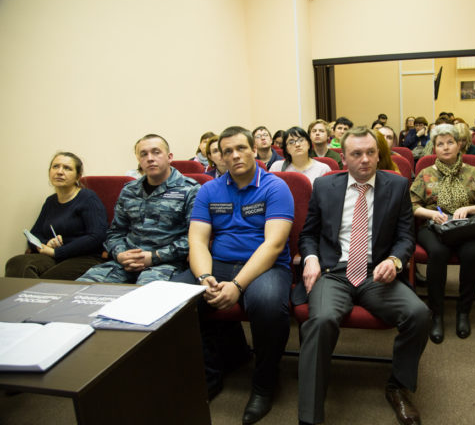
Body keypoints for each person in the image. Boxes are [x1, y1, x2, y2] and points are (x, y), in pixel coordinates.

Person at [297, 126, 430, 425]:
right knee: (320, 320)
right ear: (343, 158)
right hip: (333, 272)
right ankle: (310, 415)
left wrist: (395, 261)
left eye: (371, 152)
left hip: (376, 273)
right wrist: (311, 258)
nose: (365, 159)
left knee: (419, 315)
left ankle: (398, 387)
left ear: (378, 155)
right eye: (356, 154)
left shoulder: (397, 185)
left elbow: (405, 237)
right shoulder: (324, 186)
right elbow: (308, 234)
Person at [173, 126, 294, 424]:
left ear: (254, 150)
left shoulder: (275, 187)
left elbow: (273, 245)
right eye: (227, 151)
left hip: (266, 264)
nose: (235, 155)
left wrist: (238, 285)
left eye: (241, 148)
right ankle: (210, 374)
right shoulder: (209, 190)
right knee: (178, 300)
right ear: (220, 157)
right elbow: (197, 241)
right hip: (219, 263)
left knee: (268, 305)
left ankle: (264, 383)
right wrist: (204, 278)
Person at [77, 134, 199, 284]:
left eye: (156, 152)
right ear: (138, 160)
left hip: (166, 264)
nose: (150, 158)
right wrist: (120, 254)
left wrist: (155, 256)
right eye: (143, 154)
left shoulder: (190, 189)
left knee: (145, 295)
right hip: (125, 262)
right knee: (83, 287)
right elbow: (115, 232)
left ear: (169, 157)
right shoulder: (129, 190)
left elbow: (195, 238)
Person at [410, 125, 475, 342]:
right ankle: (436, 314)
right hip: (434, 226)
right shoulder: (425, 173)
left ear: (459, 145)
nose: (445, 147)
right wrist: (431, 214)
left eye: (450, 142)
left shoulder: (473, 172)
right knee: (438, 253)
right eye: (440, 144)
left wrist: (469, 209)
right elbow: (412, 205)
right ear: (434, 148)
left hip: (466, 226)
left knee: (473, 253)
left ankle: (463, 312)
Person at [5, 152, 107, 280]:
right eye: (55, 167)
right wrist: (46, 244)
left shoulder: (88, 198)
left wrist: (57, 252)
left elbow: (97, 236)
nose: (59, 172)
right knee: (16, 263)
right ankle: (31, 292)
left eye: (67, 168)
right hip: (53, 256)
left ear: (78, 176)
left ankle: (34, 292)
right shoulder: (50, 201)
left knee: (49, 279)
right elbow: (35, 234)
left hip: (84, 257)